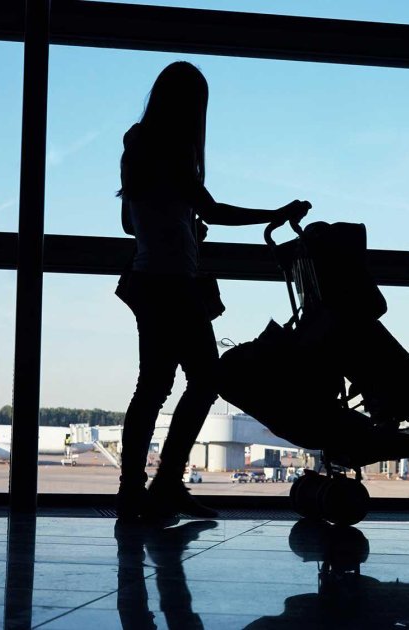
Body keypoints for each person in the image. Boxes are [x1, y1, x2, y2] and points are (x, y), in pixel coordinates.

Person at [115, 61, 310, 521]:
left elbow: (129, 222)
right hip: (173, 284)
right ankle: (163, 483)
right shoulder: (174, 147)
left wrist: (174, 223)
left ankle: (137, 488)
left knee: (156, 387)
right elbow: (213, 209)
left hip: (149, 280)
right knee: (204, 380)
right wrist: (274, 213)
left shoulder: (137, 145)